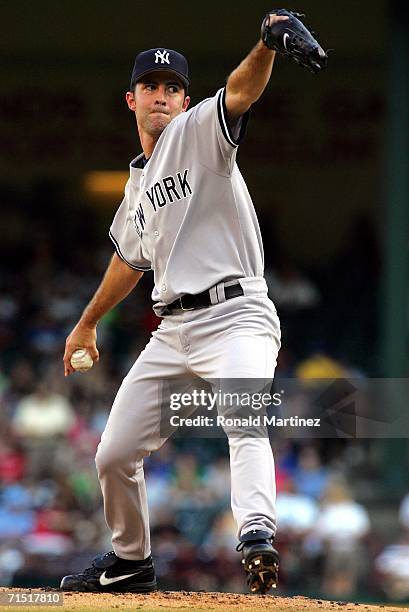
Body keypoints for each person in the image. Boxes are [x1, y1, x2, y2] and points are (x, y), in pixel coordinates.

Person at [60, 12, 290, 595]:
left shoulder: (196, 133)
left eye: (172, 88)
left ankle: (257, 532)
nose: (161, 96)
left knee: (244, 417)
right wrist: (87, 323)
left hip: (237, 314)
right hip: (174, 329)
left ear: (185, 98)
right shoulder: (137, 184)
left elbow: (240, 90)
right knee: (114, 454)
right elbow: (128, 263)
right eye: (151, 87)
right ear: (130, 99)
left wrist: (266, 43)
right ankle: (131, 561)